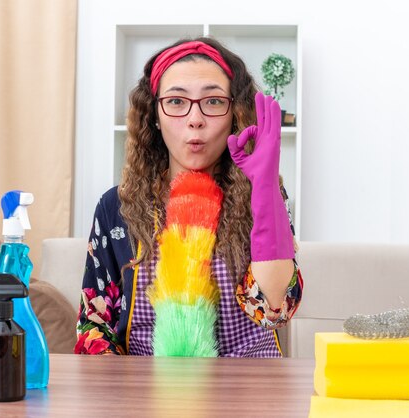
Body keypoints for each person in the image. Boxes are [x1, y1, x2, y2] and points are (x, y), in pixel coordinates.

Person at [75, 37, 303, 357]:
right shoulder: (117, 207)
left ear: (234, 114)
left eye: (213, 101)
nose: (195, 119)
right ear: (155, 115)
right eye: (177, 101)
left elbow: (276, 308)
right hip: (144, 391)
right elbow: (94, 324)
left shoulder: (263, 197)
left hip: (250, 388)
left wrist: (265, 188)